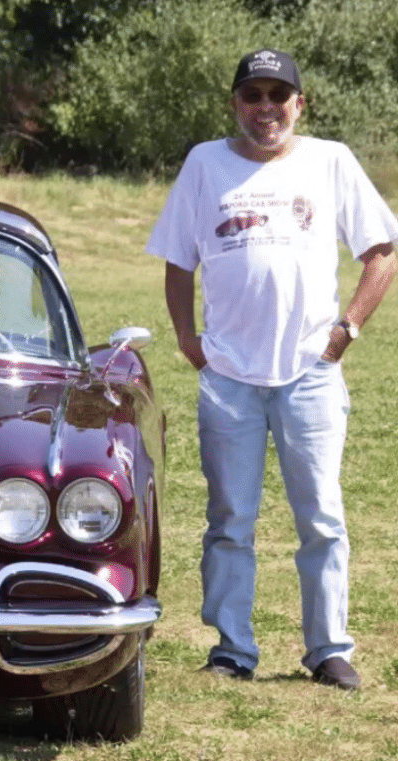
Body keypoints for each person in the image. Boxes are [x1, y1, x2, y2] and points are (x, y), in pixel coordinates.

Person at [145, 49, 398, 690]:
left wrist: (346, 331)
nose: (266, 109)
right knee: (230, 520)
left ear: (298, 105)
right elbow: (179, 260)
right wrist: (186, 338)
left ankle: (329, 651)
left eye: (278, 96)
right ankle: (232, 649)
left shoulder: (330, 160)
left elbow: (383, 252)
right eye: (253, 96)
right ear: (235, 103)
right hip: (228, 374)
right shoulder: (206, 163)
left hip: (310, 373)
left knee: (322, 518)